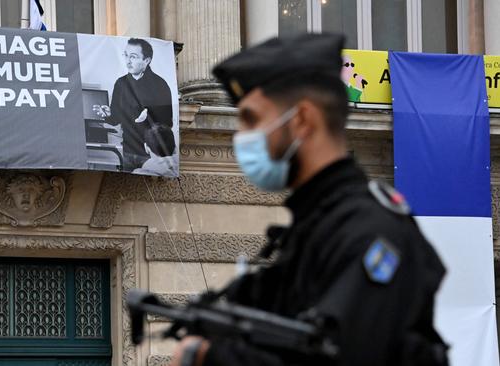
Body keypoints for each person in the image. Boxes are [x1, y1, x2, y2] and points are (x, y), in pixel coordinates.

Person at [170, 34, 449, 366]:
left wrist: (207, 356)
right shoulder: (313, 229)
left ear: (301, 120)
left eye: (252, 119)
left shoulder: (369, 232)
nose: (240, 136)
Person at [94, 38, 174, 172]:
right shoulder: (120, 83)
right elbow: (116, 119)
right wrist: (108, 115)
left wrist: (150, 115)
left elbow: (168, 123)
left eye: (133, 57)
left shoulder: (160, 85)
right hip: (127, 151)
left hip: (153, 154)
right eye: (126, 55)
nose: (128, 61)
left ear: (147, 60)